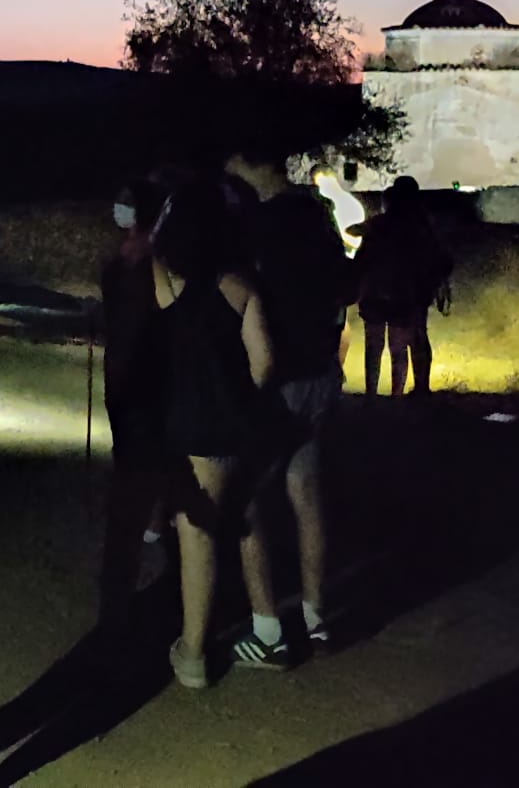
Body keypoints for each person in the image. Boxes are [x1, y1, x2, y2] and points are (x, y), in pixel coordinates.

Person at [223, 147, 356, 661]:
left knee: (247, 497)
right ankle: (317, 618)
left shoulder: (260, 224)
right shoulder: (317, 214)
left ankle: (267, 631)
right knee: (307, 490)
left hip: (279, 377)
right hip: (320, 370)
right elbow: (344, 287)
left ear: (249, 160)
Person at [148, 179, 276, 690]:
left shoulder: (168, 281)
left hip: (188, 425)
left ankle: (194, 651)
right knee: (244, 516)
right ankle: (264, 621)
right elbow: (264, 366)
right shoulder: (243, 287)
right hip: (235, 425)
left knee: (197, 539)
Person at [97, 178, 170, 627]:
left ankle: (122, 580)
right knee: (139, 462)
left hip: (132, 375)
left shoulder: (144, 260)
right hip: (135, 376)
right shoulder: (147, 259)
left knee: (135, 468)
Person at [355, 177, 453, 397]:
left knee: (375, 345)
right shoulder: (422, 226)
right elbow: (441, 259)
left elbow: (363, 252)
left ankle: (373, 394)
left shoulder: (381, 225)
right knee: (404, 345)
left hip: (382, 293)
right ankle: (403, 393)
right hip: (408, 294)